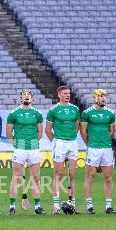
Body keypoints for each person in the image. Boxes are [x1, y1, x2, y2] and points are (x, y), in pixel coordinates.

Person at [6, 89, 45, 215]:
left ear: (32, 99)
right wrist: (17, 146)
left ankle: (37, 207)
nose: (26, 97)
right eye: (24, 95)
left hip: (33, 149)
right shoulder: (14, 114)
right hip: (20, 149)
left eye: (29, 95)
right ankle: (12, 206)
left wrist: (32, 143)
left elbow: (40, 133)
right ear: (20, 99)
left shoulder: (37, 113)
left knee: (35, 178)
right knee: (16, 177)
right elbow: (8, 133)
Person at [80, 89, 116, 214]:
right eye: (101, 96)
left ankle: (108, 206)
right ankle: (89, 206)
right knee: (90, 176)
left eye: (105, 96)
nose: (103, 98)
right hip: (93, 149)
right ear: (95, 98)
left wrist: (104, 142)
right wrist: (90, 145)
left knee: (108, 177)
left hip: (106, 149)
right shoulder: (87, 113)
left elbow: (112, 132)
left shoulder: (110, 113)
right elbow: (83, 132)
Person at [46, 86, 81, 214]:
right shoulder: (54, 110)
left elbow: (77, 126)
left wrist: (70, 138)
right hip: (59, 143)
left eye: (69, 93)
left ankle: (73, 204)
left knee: (72, 174)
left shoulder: (75, 109)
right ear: (59, 95)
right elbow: (48, 130)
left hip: (72, 143)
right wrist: (56, 142)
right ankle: (56, 206)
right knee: (58, 174)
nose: (68, 95)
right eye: (65, 93)